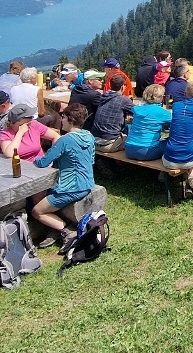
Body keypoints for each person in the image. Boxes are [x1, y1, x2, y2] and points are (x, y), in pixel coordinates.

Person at [32, 103, 96, 252]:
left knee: (37, 211)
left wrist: (33, 160)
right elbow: (91, 160)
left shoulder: (65, 140)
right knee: (39, 194)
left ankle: (67, 231)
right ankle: (53, 228)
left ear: (70, 120)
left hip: (70, 187)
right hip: (87, 182)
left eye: (64, 117)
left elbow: (43, 162)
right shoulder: (89, 136)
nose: (62, 120)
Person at [162, 82, 193, 199]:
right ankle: (190, 178)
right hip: (189, 157)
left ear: (185, 93)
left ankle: (170, 177)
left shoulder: (176, 105)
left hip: (169, 158)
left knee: (168, 144)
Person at [125, 84, 172, 161]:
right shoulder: (162, 112)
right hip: (147, 151)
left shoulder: (136, 109)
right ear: (161, 97)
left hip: (129, 149)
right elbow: (176, 123)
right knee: (171, 141)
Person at [90, 74, 134, 152]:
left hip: (94, 139)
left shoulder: (103, 96)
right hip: (109, 143)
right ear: (122, 87)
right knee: (132, 139)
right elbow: (139, 112)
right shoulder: (123, 100)